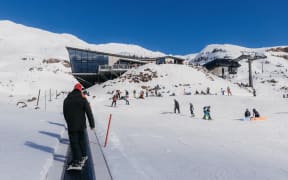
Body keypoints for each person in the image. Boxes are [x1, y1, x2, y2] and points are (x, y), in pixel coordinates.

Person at [63, 83, 95, 170]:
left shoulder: (67, 99)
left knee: (74, 143)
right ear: (80, 90)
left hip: (72, 125)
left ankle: (77, 160)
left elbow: (65, 112)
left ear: (74, 89)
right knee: (82, 141)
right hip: (81, 125)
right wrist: (92, 124)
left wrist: (68, 122)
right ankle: (83, 156)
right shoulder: (83, 99)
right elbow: (89, 112)